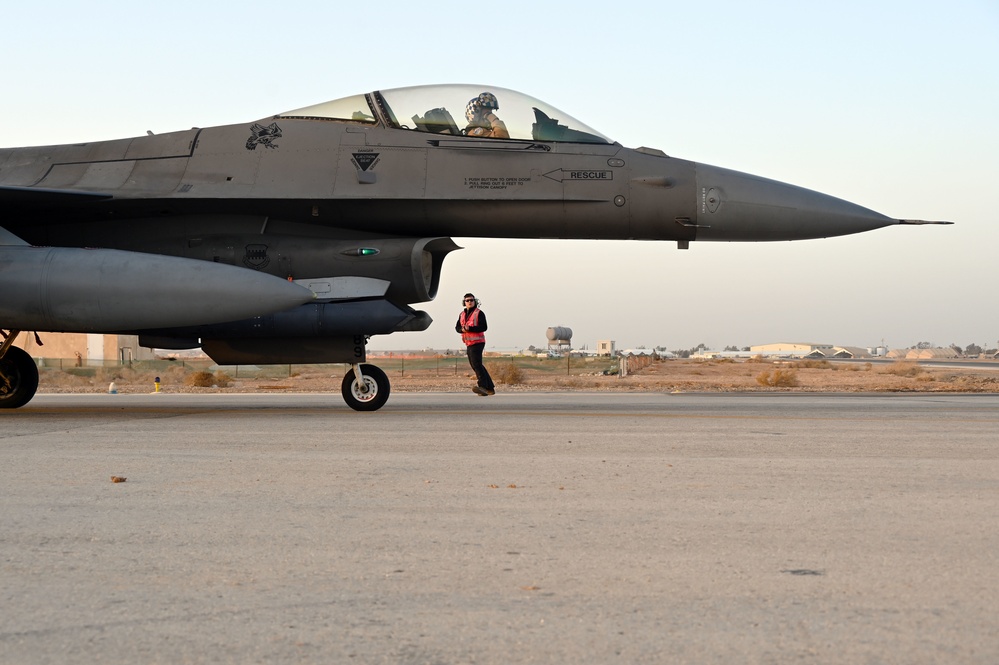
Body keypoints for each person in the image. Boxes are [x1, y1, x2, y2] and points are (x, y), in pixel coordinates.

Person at [456, 293, 495, 396]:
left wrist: (471, 329)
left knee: (476, 364)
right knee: (476, 365)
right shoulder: (462, 314)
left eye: (471, 300)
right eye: (467, 300)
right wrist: (462, 329)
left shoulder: (479, 313)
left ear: (475, 301)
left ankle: (482, 387)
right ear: (464, 302)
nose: (469, 302)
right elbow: (457, 328)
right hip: (469, 343)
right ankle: (490, 388)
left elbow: (484, 327)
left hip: (478, 342)